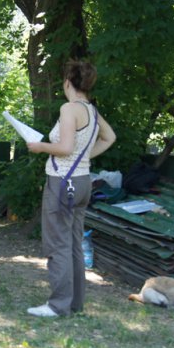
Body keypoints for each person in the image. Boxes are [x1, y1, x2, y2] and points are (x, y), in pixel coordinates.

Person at [25, 60, 116, 317]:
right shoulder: (93, 111)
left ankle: (57, 305)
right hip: (83, 181)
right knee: (74, 244)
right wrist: (86, 157)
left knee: (58, 245)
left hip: (63, 182)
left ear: (67, 82)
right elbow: (110, 137)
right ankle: (74, 303)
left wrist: (40, 147)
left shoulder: (69, 109)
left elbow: (64, 148)